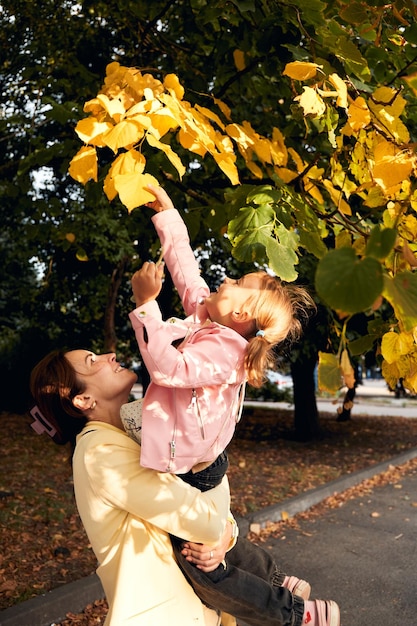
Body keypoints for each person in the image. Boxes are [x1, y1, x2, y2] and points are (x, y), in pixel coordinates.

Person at [123, 185, 340, 626]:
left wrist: (146, 306)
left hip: (191, 469)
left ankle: (295, 614)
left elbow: (168, 369)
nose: (224, 281)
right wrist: (167, 215)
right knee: (217, 542)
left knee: (201, 565)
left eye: (237, 284)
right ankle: (278, 580)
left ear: (241, 315)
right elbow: (187, 274)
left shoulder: (226, 350)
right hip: (201, 462)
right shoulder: (213, 322)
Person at [30, 349, 340, 626]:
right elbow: (203, 512)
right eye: (91, 361)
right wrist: (216, 530)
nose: (108, 355)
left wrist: (223, 536)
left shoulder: (135, 430)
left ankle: (276, 585)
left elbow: (205, 481)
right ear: (83, 400)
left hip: (196, 609)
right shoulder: (100, 452)